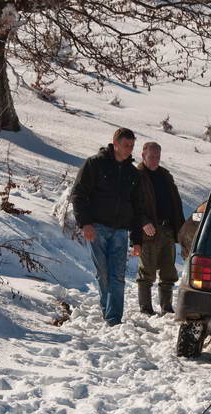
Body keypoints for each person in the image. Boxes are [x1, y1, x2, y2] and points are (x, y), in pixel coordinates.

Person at [70, 127, 152, 326]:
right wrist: (85, 223)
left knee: (118, 275)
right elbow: (78, 195)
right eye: (126, 145)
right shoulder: (95, 164)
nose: (129, 149)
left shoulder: (133, 173)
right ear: (115, 144)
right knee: (104, 273)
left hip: (121, 231)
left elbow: (138, 208)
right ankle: (106, 310)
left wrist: (137, 240)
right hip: (97, 228)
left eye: (132, 145)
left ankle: (114, 318)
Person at [136, 142, 185, 315]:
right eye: (151, 156)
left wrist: (180, 229)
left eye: (157, 156)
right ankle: (146, 308)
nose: (155, 160)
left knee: (168, 271)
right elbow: (132, 204)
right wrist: (143, 221)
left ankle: (167, 307)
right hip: (149, 231)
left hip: (168, 229)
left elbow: (176, 203)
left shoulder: (165, 175)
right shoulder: (137, 176)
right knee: (147, 271)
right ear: (143, 156)